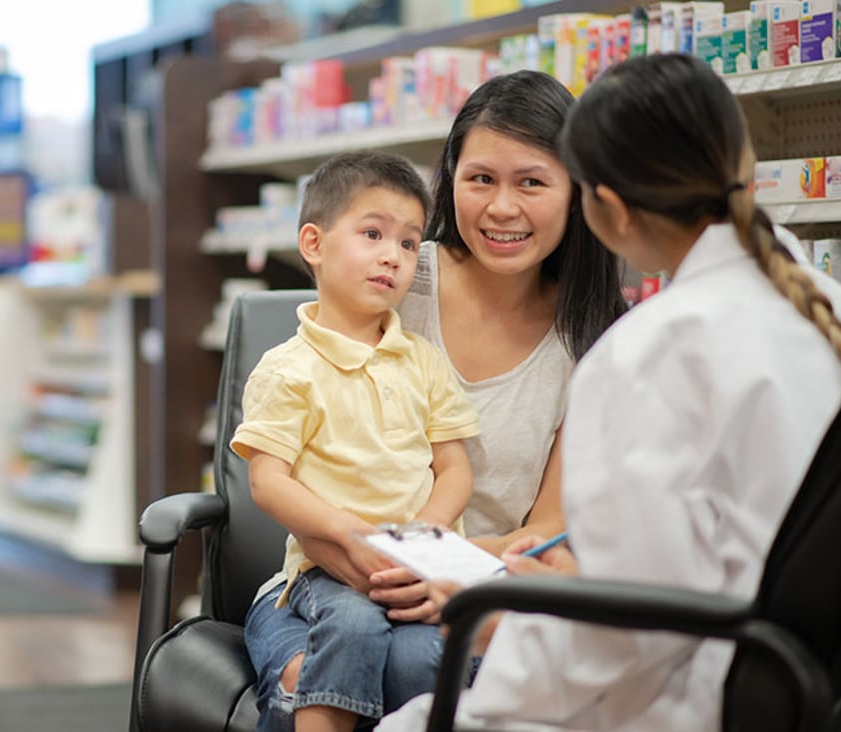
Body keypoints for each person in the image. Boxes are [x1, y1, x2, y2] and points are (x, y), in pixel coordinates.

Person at [377, 52, 841, 732]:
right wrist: (573, 585)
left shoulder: (640, 352)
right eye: (479, 178)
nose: (503, 205)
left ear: (604, 207)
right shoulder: (823, 301)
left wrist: (499, 623)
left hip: (696, 689)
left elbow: (622, 638)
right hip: (787, 681)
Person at [244, 70, 626, 730]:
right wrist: (364, 552)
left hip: (474, 596)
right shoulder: (389, 272)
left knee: (411, 669)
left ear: (576, 194)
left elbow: (545, 530)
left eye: (531, 182)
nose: (502, 208)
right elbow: (302, 452)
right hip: (326, 582)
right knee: (329, 668)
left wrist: (434, 562)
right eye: (480, 179)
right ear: (449, 178)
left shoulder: (595, 336)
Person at [232, 149, 481, 732]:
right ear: (314, 244)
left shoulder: (423, 361)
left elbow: (455, 470)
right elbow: (268, 481)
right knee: (351, 626)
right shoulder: (287, 368)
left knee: (426, 659)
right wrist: (350, 533)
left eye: (407, 243)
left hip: (415, 570)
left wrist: (421, 538)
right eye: (373, 233)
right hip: (330, 564)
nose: (392, 256)